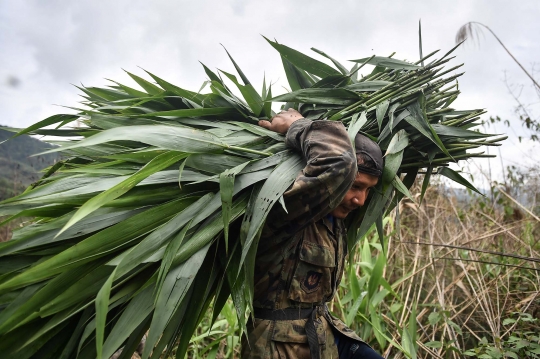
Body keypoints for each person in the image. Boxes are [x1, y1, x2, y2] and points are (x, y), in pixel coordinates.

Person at [241, 108, 385, 359]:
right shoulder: (289, 211)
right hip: (278, 347)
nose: (360, 201)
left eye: (368, 190)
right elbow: (339, 161)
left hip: (320, 335)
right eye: (355, 186)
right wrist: (296, 125)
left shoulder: (335, 217)